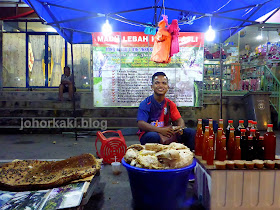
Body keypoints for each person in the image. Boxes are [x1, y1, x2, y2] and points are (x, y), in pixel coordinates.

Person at [137, 72, 195, 150]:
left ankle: (187, 156)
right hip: (150, 134)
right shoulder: (146, 103)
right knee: (153, 136)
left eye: (164, 83)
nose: (160, 86)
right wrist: (160, 130)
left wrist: (180, 128)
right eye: (157, 83)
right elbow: (141, 124)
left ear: (167, 87)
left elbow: (179, 120)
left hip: (167, 134)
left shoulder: (170, 104)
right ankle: (153, 159)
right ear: (152, 86)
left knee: (190, 132)